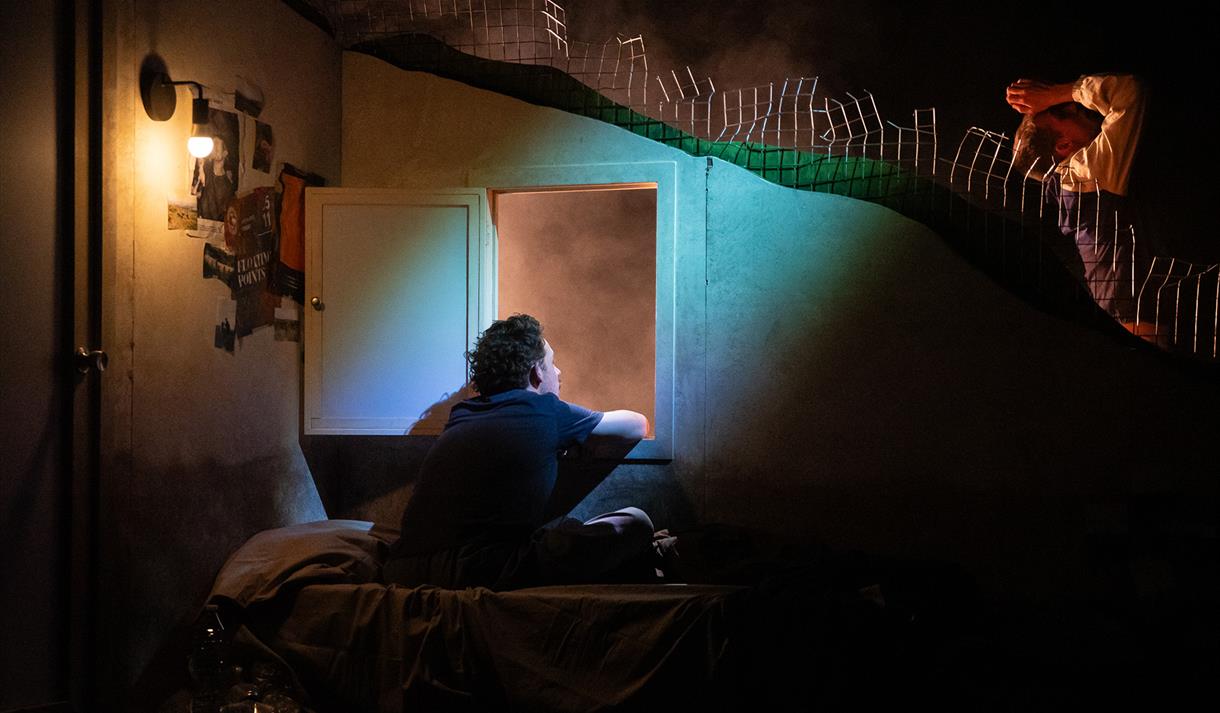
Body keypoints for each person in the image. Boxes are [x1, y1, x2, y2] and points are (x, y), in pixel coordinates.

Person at [383, 313, 667, 590]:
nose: (558, 372)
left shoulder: (462, 414)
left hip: (403, 569)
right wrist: (576, 437)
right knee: (635, 522)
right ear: (536, 372)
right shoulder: (545, 410)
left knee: (556, 532)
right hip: (475, 568)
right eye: (552, 363)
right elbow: (636, 425)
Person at [1006, 73, 1147, 326]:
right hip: (1134, 318)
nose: (1073, 106)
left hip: (1121, 313)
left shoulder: (1069, 185)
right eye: (1062, 113)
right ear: (1063, 145)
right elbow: (1128, 92)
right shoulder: (1083, 173)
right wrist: (1057, 93)